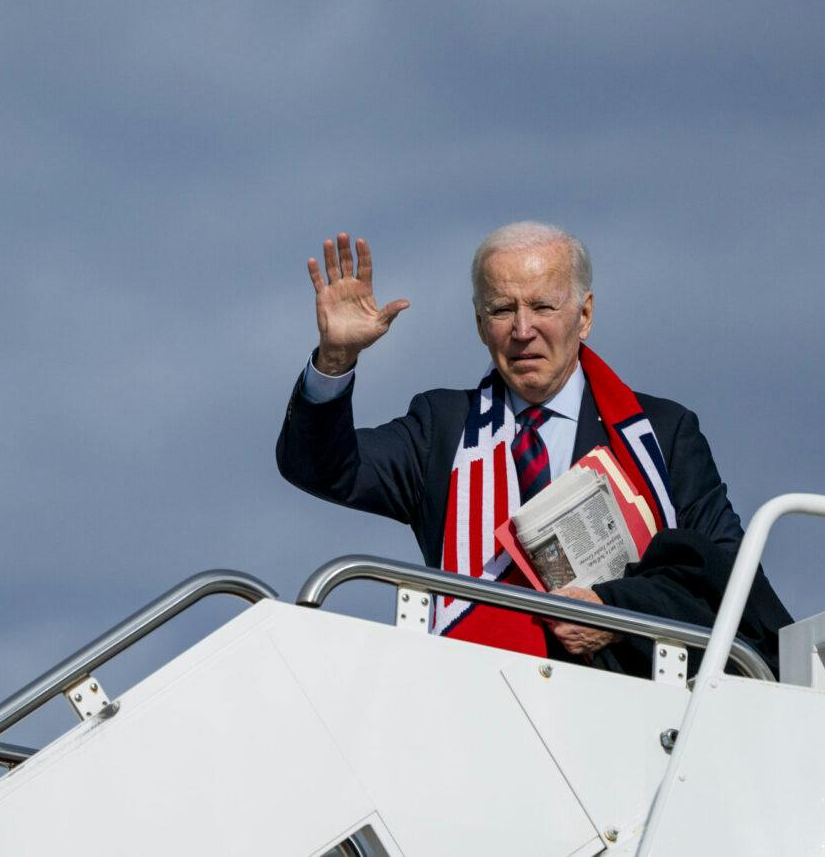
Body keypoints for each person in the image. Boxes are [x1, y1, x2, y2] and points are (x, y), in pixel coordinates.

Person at [276, 221, 791, 675]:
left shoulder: (663, 432)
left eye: (543, 306)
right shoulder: (442, 428)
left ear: (584, 315)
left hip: (631, 708)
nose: (523, 330)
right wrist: (335, 359)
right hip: (483, 706)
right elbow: (321, 469)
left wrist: (615, 612)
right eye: (502, 309)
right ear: (480, 324)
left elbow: (730, 583)